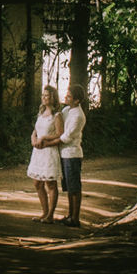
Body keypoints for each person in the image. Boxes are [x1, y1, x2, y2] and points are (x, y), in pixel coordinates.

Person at [26, 85, 63, 222]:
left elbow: (60, 135)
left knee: (51, 184)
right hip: (38, 152)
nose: (44, 97)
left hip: (49, 151)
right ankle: (44, 212)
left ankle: (50, 216)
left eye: (47, 95)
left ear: (53, 98)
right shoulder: (41, 114)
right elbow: (35, 130)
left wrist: (44, 139)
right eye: (43, 95)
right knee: (37, 183)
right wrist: (34, 139)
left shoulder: (57, 115)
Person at [55, 87, 87, 228]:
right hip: (63, 154)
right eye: (66, 95)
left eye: (69, 96)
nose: (66, 98)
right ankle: (70, 215)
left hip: (72, 154)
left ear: (77, 100)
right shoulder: (67, 110)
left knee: (74, 187)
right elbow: (58, 120)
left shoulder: (78, 116)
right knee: (68, 186)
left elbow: (67, 137)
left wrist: (47, 142)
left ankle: (75, 218)